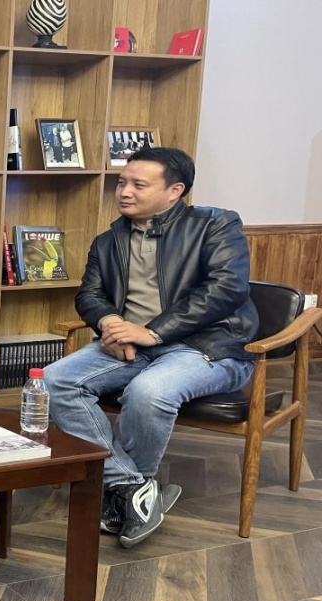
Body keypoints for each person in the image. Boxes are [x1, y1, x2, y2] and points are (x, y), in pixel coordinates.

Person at [43, 147, 258, 548]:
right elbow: (90, 295)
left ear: (175, 190)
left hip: (208, 346)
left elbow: (227, 289)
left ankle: (124, 492)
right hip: (130, 345)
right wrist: (111, 324)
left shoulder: (215, 225)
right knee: (55, 381)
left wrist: (153, 332)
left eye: (138, 185)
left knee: (149, 392)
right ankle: (133, 488)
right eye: (122, 182)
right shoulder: (108, 241)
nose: (124, 191)